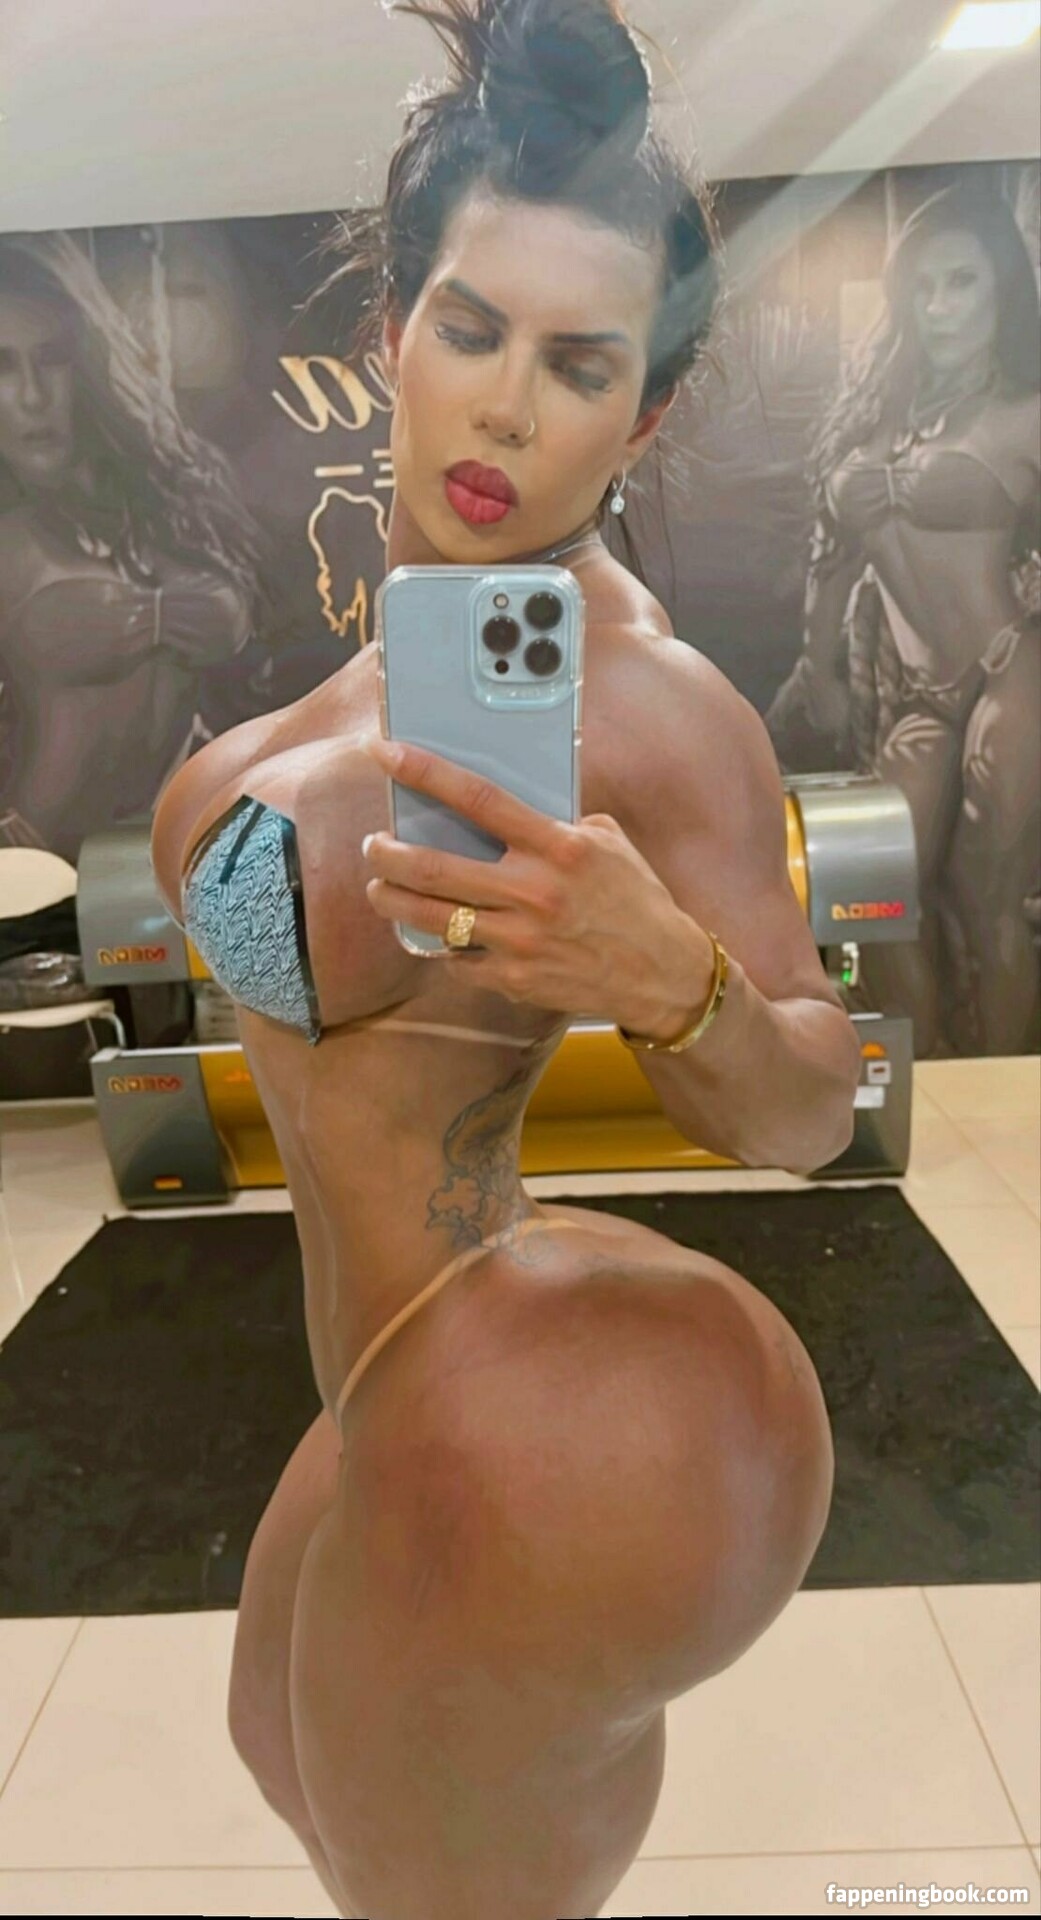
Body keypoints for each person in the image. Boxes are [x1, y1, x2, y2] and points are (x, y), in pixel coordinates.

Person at [150, 4, 861, 1915]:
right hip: (391, 1372)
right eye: (471, 330)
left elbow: (814, 1106)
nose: (507, 410)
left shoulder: (644, 702)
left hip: (527, 1421)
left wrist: (673, 982)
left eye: (579, 364)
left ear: (642, 417)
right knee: (284, 1753)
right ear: (394, 329)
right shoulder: (385, 670)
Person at [766, 181, 1041, 1058]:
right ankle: (932, 1084)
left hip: (1011, 669)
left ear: (1002, 290)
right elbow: (829, 565)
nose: (938, 307)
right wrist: (819, 671)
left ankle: (1004, 1096)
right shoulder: (869, 423)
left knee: (983, 894)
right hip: (920, 696)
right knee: (872, 897)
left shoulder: (1027, 415)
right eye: (921, 287)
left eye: (961, 282)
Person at [0, 231, 272, 863]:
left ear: (87, 362)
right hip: (26, 871)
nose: (33, 395)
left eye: (51, 358)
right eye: (2, 367)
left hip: (176, 860)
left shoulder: (175, 503)